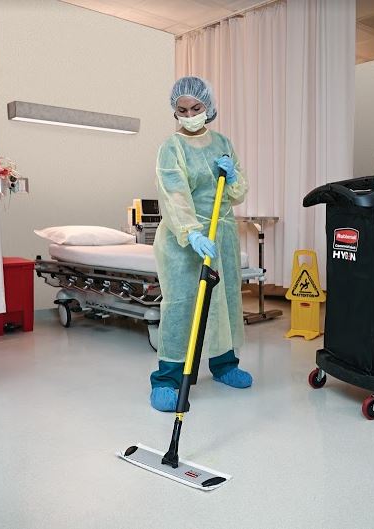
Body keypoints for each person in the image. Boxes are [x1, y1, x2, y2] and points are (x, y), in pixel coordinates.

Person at [150, 76, 252, 412]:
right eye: (183, 109)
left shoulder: (222, 142)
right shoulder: (171, 147)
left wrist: (233, 177)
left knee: (223, 300)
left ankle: (224, 365)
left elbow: (237, 193)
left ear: (208, 107)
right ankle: (167, 378)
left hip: (220, 235)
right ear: (175, 112)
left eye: (196, 108)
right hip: (184, 240)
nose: (190, 114)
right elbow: (173, 193)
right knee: (181, 305)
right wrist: (191, 232)